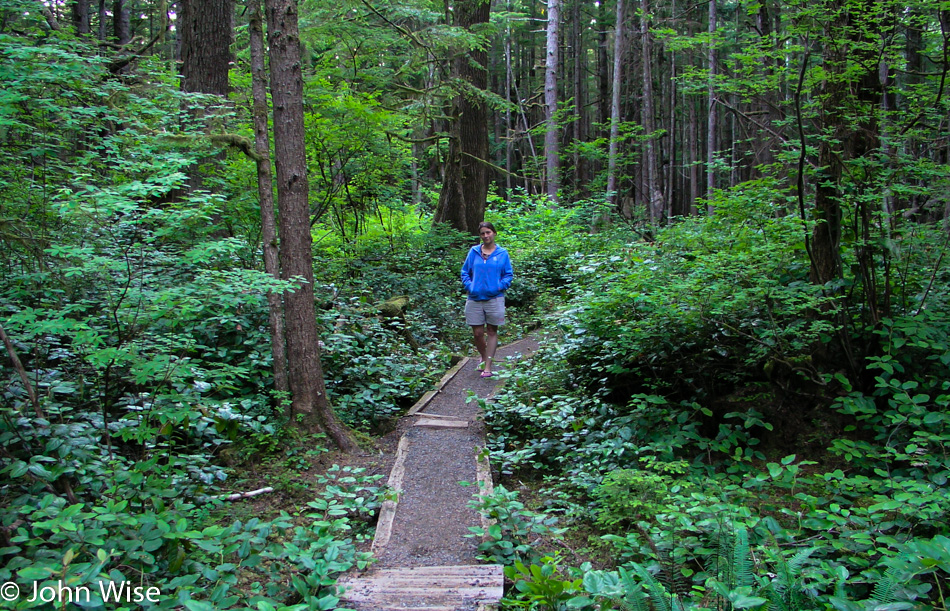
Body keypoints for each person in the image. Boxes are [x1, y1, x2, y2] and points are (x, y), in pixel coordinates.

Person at [461, 221, 513, 378]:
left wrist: (499, 287)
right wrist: (471, 287)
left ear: (494, 233)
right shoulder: (474, 252)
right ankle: (483, 357)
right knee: (477, 333)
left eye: (488, 232)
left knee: (491, 331)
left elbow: (508, 274)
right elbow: (465, 272)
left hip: (494, 298)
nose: (485, 236)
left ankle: (488, 365)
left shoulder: (502, 253)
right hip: (474, 298)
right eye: (483, 233)